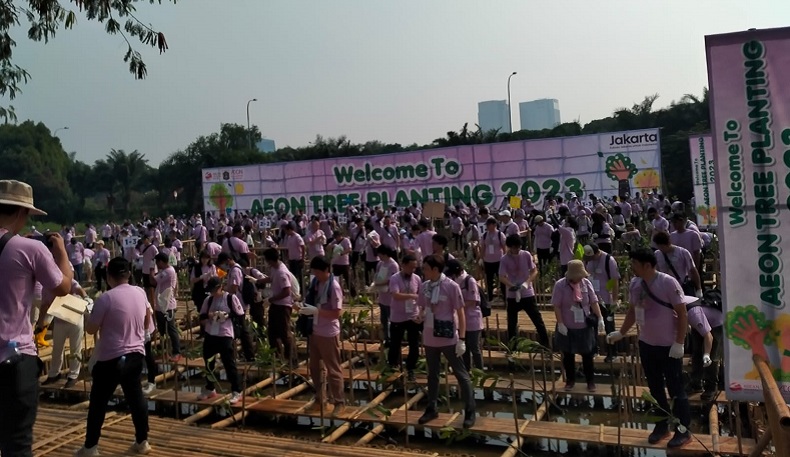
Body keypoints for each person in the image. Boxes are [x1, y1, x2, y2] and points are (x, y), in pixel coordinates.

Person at [0, 180, 73, 457]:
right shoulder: (31, 249)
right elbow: (63, 287)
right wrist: (62, 252)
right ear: (22, 212)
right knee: (17, 443)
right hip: (14, 357)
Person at [607, 248, 691, 448]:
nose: (632, 267)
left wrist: (679, 342)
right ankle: (662, 426)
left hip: (668, 345)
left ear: (647, 265)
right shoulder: (636, 284)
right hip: (647, 343)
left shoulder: (667, 282)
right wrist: (622, 332)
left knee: (676, 388)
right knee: (655, 388)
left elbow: (682, 313)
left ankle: (683, 430)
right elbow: (633, 311)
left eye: (635, 263)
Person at [76, 257, 151, 456]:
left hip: (112, 357)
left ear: (109, 277)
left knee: (98, 402)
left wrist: (88, 316)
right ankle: (142, 441)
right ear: (128, 274)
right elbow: (147, 320)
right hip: (135, 354)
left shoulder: (105, 298)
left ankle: (91, 446)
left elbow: (91, 329)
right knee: (136, 399)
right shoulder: (140, 292)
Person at [416, 255, 476, 429]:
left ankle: (470, 410)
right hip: (429, 336)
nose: (424, 271)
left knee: (461, 374)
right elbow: (422, 307)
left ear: (435, 270)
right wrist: (419, 316)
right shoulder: (424, 286)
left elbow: (461, 312)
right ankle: (432, 407)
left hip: (448, 336)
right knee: (432, 374)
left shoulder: (451, 286)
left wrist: (462, 339)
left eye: (426, 268)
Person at [298, 256, 346, 416]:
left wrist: (318, 311)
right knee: (315, 367)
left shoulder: (334, 286)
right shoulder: (316, 284)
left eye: (318, 272)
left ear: (326, 270)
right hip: (314, 330)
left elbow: (337, 312)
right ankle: (320, 398)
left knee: (333, 368)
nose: (316, 275)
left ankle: (339, 402)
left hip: (328, 332)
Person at [552, 260, 605, 392]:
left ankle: (590, 382)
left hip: (584, 326)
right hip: (568, 326)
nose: (579, 278)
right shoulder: (560, 285)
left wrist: (600, 318)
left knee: (587, 356)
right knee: (568, 356)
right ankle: (570, 381)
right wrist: (560, 323)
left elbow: (593, 302)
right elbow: (557, 306)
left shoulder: (586, 283)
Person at [197, 277, 244, 404]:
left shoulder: (230, 298)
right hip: (211, 333)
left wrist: (227, 315)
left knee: (229, 363)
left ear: (220, 287)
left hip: (225, 334)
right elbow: (201, 316)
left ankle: (236, 391)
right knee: (208, 362)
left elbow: (240, 314)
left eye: (213, 290)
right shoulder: (209, 299)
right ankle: (210, 388)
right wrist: (210, 316)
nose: (212, 292)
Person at [499, 234, 548, 347]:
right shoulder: (504, 259)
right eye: (514, 247)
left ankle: (545, 344)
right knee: (512, 323)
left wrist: (527, 282)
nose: (516, 250)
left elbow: (534, 271)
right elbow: (501, 276)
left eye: (518, 247)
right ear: (509, 247)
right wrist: (511, 285)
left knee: (537, 319)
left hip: (527, 293)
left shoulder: (526, 255)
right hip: (512, 294)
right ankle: (512, 346)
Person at [41, 279, 91, 389]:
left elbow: (78, 289)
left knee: (75, 348)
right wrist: (41, 324)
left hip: (75, 316)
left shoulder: (65, 279)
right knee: (57, 348)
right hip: (60, 319)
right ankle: (54, 374)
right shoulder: (45, 287)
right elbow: (45, 305)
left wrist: (86, 297)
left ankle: (73, 375)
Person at [387, 254, 423, 380]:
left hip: (412, 315)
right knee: (395, 343)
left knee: (414, 343)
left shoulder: (417, 278)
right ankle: (393, 365)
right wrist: (411, 296)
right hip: (398, 315)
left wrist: (420, 313)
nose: (412, 270)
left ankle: (411, 367)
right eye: (410, 267)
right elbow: (395, 295)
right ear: (403, 265)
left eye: (414, 268)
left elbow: (421, 295)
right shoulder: (395, 278)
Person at [583, 243, 620, 362]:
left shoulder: (609, 260)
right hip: (592, 299)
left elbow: (615, 281)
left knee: (609, 327)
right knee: (592, 325)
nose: (590, 259)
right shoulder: (588, 261)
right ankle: (593, 350)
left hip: (606, 299)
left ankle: (612, 352)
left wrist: (614, 300)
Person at [446, 259, 484, 372]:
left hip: (473, 320)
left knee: (474, 347)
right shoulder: (453, 281)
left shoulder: (469, 281)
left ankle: (480, 371)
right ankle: (467, 369)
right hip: (461, 320)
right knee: (464, 347)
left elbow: (473, 301)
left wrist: (458, 305)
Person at [259, 248, 295, 361]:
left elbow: (287, 291)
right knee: (272, 333)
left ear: (270, 260)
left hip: (283, 306)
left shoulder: (282, 272)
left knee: (284, 333)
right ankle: (277, 357)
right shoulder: (275, 269)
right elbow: (271, 279)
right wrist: (258, 281)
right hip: (275, 304)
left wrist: (270, 299)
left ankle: (291, 359)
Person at [686, 299, 724, 401]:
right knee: (697, 352)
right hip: (699, 319)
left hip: (716, 323)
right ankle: (696, 383)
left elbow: (709, 337)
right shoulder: (673, 306)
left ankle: (711, 387)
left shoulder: (693, 314)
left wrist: (706, 354)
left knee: (712, 356)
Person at [150, 253, 182, 363]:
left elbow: (153, 281)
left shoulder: (169, 271)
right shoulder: (164, 271)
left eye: (157, 263)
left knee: (171, 329)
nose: (157, 265)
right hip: (160, 304)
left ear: (162, 262)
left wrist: (151, 270)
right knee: (162, 330)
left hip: (168, 305)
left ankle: (176, 352)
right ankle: (164, 351)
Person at [653, 232, 702, 298]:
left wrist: (699, 289)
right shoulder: (657, 254)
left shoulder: (683, 252)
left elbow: (692, 270)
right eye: (659, 247)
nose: (661, 249)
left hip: (681, 287)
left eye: (662, 247)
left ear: (668, 243)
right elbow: (656, 272)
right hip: (665, 289)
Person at [372, 245, 399, 346]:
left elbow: (391, 280)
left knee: (391, 319)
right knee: (383, 319)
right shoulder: (380, 264)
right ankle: (386, 338)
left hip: (389, 296)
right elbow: (377, 275)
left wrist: (379, 284)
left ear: (384, 254)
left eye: (380, 254)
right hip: (382, 296)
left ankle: (392, 339)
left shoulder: (393, 265)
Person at [479, 217, 506, 302]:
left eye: (488, 225)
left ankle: (505, 296)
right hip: (488, 261)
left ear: (494, 225)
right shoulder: (485, 235)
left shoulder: (500, 234)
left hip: (499, 260)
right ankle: (490, 297)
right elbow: (483, 247)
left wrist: (506, 258)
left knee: (501, 279)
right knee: (489, 280)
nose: (487, 226)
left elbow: (504, 247)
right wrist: (481, 258)